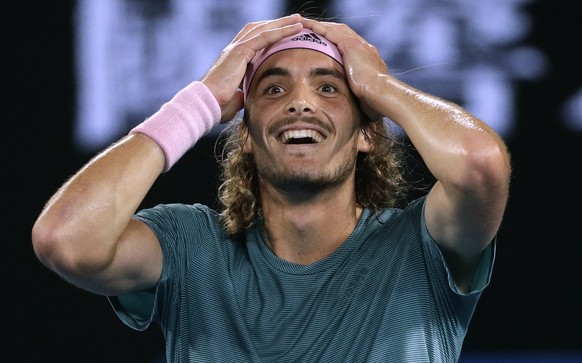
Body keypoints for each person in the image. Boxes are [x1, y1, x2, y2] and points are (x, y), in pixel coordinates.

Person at [32, 14, 511, 362]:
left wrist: (379, 85)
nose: (300, 102)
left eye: (329, 88)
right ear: (245, 134)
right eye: (274, 90)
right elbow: (66, 239)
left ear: (367, 133)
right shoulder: (189, 245)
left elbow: (481, 165)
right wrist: (198, 104)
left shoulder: (421, 247)